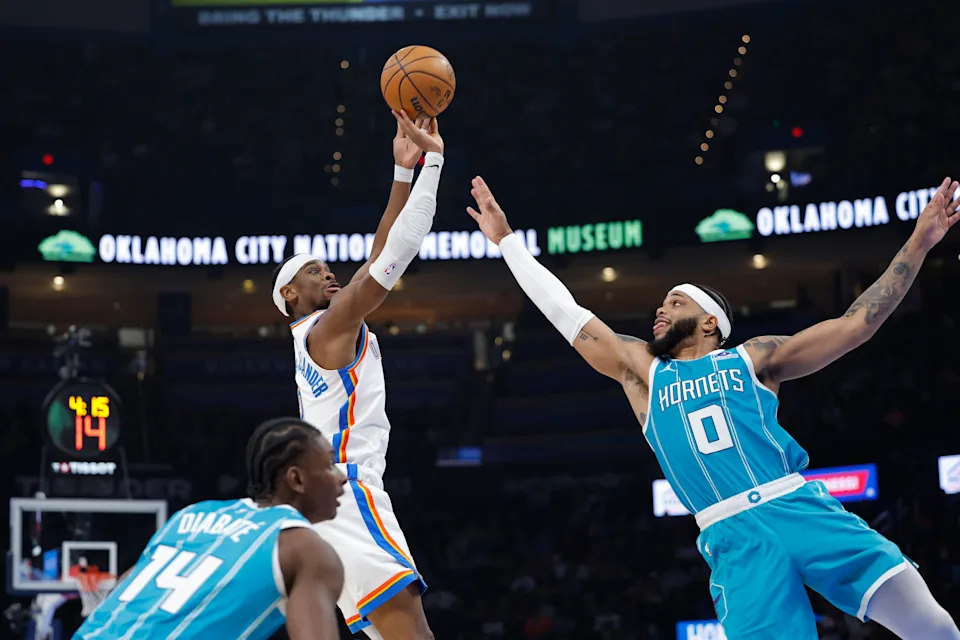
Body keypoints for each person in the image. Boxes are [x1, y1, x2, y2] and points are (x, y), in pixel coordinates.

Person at [466, 175, 960, 640]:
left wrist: (919, 242)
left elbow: (856, 324)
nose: (660, 309)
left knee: (935, 627)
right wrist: (507, 241)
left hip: (796, 505)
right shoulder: (644, 372)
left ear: (710, 323)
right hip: (731, 536)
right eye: (662, 304)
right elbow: (567, 314)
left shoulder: (753, 358)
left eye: (675, 302)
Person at [269, 111, 443, 639]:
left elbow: (377, 253)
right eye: (312, 270)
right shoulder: (327, 328)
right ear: (290, 295)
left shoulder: (319, 332)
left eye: (326, 266)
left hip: (329, 505)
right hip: (348, 491)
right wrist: (434, 162)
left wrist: (401, 173)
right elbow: (397, 254)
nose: (326, 271)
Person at [74, 418, 347, 640]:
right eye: (330, 465)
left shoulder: (190, 515)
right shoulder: (304, 548)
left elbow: (124, 590)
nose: (342, 477)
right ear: (296, 479)